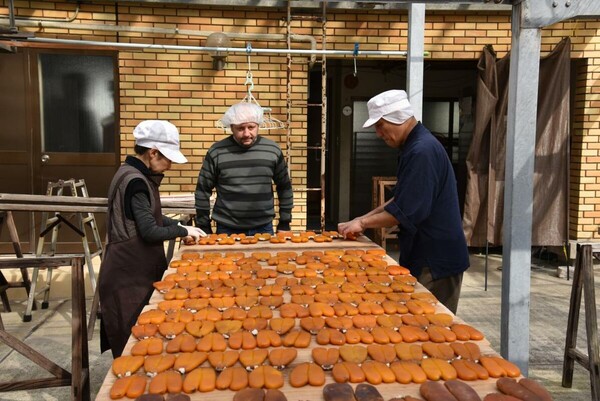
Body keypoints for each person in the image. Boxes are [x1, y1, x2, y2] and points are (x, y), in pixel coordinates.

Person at [337, 90, 469, 314]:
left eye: (380, 125)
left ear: (396, 117)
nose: (379, 134)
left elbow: (405, 212)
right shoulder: (415, 146)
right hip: (424, 253)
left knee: (432, 329)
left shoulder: (422, 151)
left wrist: (363, 225)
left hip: (435, 260)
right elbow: (401, 200)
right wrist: (362, 218)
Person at [99, 120, 205, 357]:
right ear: (153, 152)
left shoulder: (128, 172)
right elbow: (149, 231)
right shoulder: (136, 181)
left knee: (142, 343)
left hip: (132, 270)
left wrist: (180, 226)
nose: (168, 166)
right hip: (128, 276)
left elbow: (152, 217)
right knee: (133, 345)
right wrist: (183, 231)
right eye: (167, 159)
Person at [195, 102, 294, 236]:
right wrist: (203, 225)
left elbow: (284, 187)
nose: (247, 133)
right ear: (231, 127)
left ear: (258, 125)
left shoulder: (272, 150)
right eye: (240, 128)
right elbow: (202, 190)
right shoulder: (217, 151)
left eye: (251, 127)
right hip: (227, 227)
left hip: (263, 227)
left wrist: (284, 222)